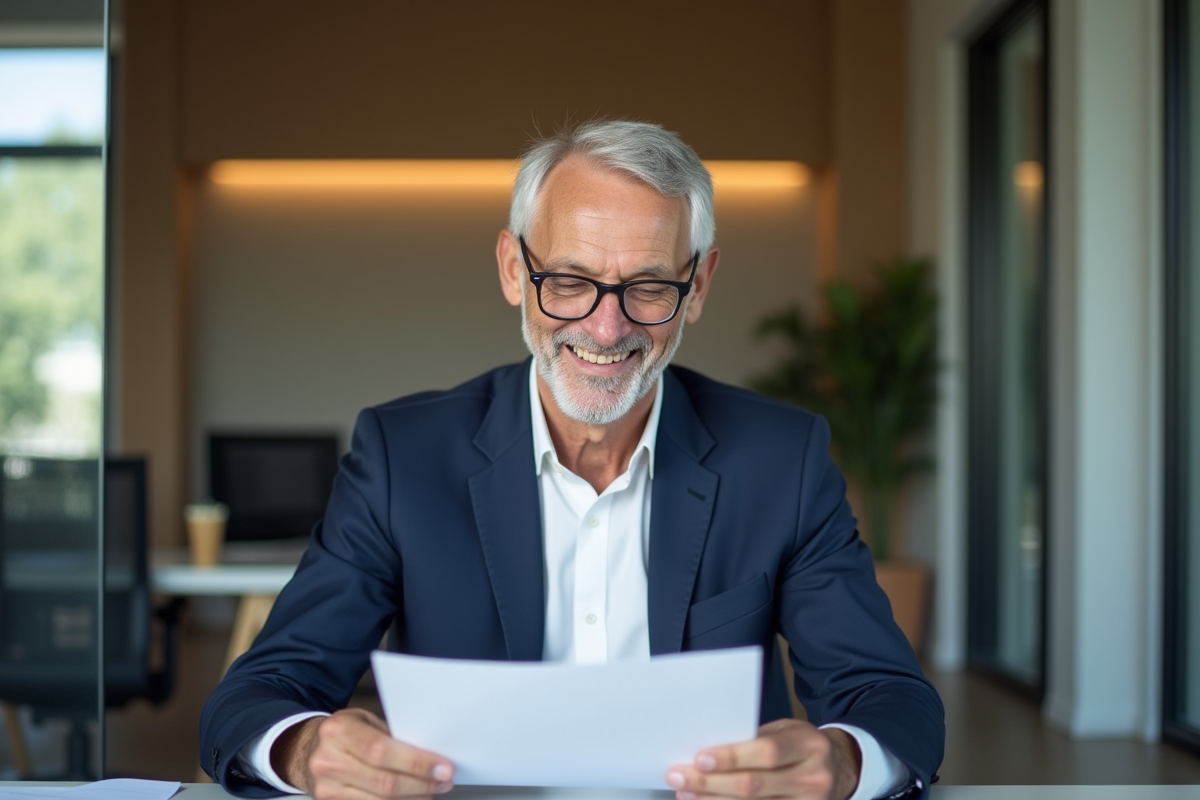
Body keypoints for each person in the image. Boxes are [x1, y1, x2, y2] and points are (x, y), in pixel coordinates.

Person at [200, 120, 944, 800]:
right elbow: (259, 692)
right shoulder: (402, 457)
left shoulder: (783, 459)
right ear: (512, 271)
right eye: (569, 281)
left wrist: (843, 763)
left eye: (649, 286)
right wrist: (304, 750)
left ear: (699, 287)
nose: (606, 324)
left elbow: (890, 699)